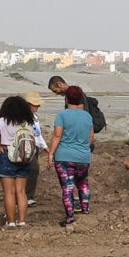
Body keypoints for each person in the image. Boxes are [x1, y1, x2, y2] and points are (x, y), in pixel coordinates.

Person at [0, 94, 46, 229]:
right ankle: (22, 221)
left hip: (7, 154)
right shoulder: (28, 122)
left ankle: (11, 221)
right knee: (21, 192)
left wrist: (1, 140)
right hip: (24, 157)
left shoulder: (4, 120)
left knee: (9, 192)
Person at [49, 85, 96, 228]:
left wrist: (51, 153)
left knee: (68, 187)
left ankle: (70, 217)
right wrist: (83, 149)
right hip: (83, 157)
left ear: (67, 98)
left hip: (64, 156)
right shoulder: (87, 116)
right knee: (83, 183)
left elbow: (57, 135)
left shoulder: (62, 115)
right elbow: (91, 137)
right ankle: (85, 210)